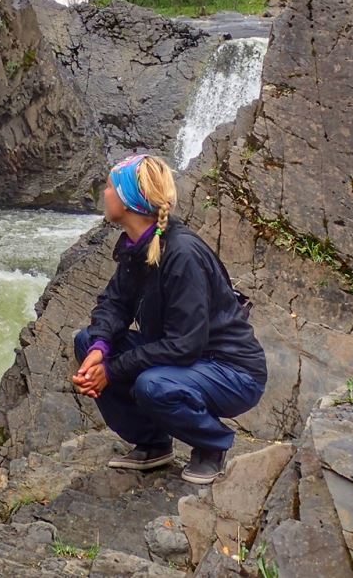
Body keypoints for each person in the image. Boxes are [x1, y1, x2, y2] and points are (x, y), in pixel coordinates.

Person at [71, 153, 267, 485]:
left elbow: (185, 345)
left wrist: (112, 370)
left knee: (154, 386)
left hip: (232, 371)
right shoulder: (140, 245)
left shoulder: (183, 254)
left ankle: (212, 445)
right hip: (184, 357)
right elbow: (114, 304)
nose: (104, 193)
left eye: (109, 187)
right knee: (85, 340)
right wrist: (99, 350)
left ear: (129, 199)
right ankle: (153, 443)